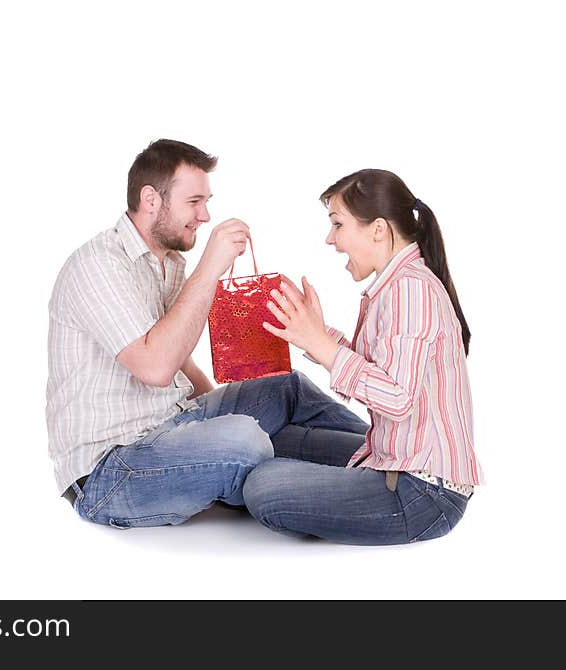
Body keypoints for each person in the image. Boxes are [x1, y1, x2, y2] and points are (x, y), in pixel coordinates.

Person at [46, 139, 368, 529]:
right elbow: (155, 368)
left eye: (206, 202)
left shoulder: (165, 264)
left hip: (173, 423)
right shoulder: (98, 265)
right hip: (110, 471)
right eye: (194, 202)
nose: (205, 215)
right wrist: (209, 269)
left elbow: (178, 357)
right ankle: (305, 471)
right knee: (245, 439)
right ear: (151, 199)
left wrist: (231, 405)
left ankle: (388, 457)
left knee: (286, 388)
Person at [243, 168, 484, 544]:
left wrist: (324, 347)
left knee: (262, 486)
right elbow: (385, 371)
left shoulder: (410, 290)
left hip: (422, 494)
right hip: (394, 456)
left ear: (378, 229)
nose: (330, 239)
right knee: (279, 440)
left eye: (337, 224)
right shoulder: (397, 285)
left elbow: (397, 398)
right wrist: (318, 335)